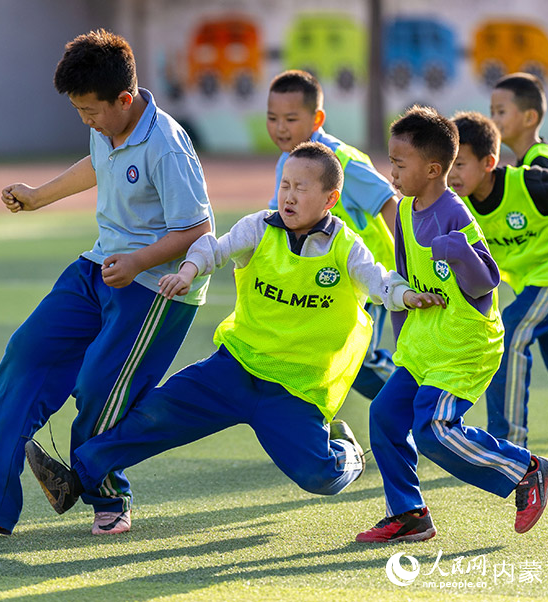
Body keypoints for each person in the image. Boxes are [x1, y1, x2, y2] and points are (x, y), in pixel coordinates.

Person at [22, 142, 444, 524]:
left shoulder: (346, 247)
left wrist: (407, 296)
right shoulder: (259, 226)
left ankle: (348, 453)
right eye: (285, 184)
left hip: (294, 389)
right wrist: (188, 270)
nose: (290, 195)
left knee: (320, 476)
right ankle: (75, 479)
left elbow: (378, 282)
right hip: (234, 368)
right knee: (156, 415)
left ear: (330, 198)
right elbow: (215, 247)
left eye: (302, 187)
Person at [0, 29, 213, 536]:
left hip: (157, 288)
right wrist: (38, 196)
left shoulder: (167, 146)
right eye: (78, 112)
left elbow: (198, 231)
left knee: (101, 385)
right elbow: (98, 164)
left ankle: (108, 496)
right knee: (26, 353)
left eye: (91, 111)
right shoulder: (107, 123)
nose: (86, 121)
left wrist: (140, 261)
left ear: (125, 99)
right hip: (99, 266)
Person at [356, 106, 548, 543]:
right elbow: (403, 282)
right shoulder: (406, 212)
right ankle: (408, 514)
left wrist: (459, 252)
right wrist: (401, 340)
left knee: (433, 432)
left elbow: (485, 282)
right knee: (385, 414)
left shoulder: (456, 216)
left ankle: (527, 469)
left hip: (466, 346)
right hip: (424, 345)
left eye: (399, 163)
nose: (391, 171)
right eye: (390, 160)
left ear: (432, 169)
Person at [449, 111, 548, 446]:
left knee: (513, 329)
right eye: (447, 164)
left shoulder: (529, 183)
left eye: (460, 164)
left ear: (489, 162)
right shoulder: (459, 208)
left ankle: (508, 444)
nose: (452, 175)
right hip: (532, 283)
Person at [265, 70, 399, 399]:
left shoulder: (343, 161)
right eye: (272, 118)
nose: (280, 127)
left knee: (359, 358)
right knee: (318, 353)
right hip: (326, 279)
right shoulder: (290, 161)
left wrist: (407, 259)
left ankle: (411, 399)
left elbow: (388, 202)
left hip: (368, 277)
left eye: (290, 118)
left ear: (317, 118)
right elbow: (276, 219)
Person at [491, 72, 548, 180]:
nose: (493, 120)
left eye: (501, 112)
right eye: (492, 113)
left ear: (530, 118)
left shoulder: (540, 165)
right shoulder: (536, 155)